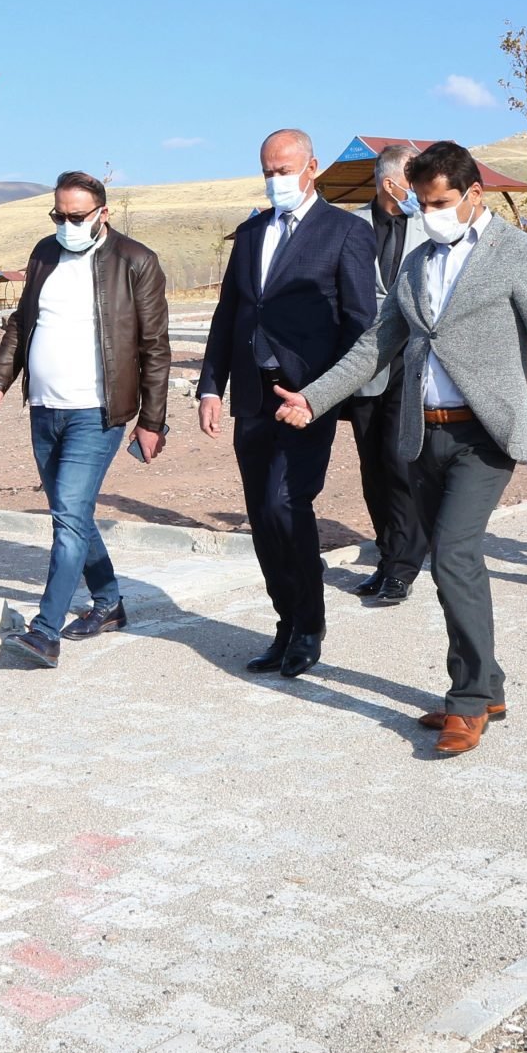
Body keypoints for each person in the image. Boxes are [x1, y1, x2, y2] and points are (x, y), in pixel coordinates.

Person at [271, 141, 527, 756]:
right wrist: (314, 399)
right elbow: (377, 344)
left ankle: (468, 700)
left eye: (439, 202)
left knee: (452, 554)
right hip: (423, 434)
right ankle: (488, 684)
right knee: (453, 560)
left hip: (486, 435)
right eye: (421, 203)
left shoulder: (519, 254)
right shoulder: (417, 262)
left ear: (474, 194)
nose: (428, 214)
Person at [199, 129, 377, 678]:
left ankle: (309, 625)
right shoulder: (251, 233)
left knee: (286, 504)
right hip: (253, 397)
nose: (275, 180)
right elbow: (229, 313)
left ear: (311, 167)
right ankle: (284, 622)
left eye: (284, 170)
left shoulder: (346, 232)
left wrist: (327, 395)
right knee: (261, 515)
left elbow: (361, 324)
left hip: (307, 398)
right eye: (268, 171)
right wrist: (211, 386)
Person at [0, 171, 173, 667]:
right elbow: (22, 323)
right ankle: (108, 603)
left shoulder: (136, 261)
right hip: (44, 409)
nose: (66, 225)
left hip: (98, 412)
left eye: (77, 217)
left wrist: (152, 421)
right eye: (58, 216)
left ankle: (45, 632)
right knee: (74, 513)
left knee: (67, 517)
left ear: (102, 213)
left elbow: (155, 347)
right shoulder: (44, 253)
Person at [349, 144, 431, 604]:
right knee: (372, 467)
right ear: (389, 183)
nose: (418, 189)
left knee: (400, 464)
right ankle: (386, 557)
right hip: (364, 363)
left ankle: (402, 567)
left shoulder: (428, 225)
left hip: (412, 359)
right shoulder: (351, 226)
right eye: (412, 180)